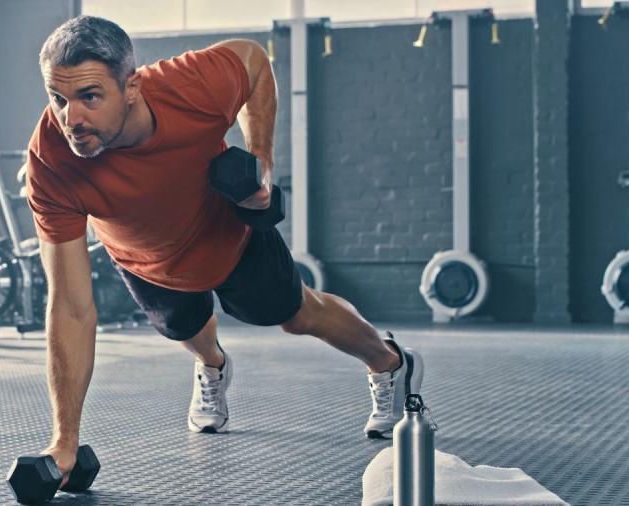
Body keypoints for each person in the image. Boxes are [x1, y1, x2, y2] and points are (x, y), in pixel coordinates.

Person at [24, 15, 424, 485]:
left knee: (297, 314)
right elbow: (70, 307)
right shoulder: (51, 161)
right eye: (58, 98)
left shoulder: (190, 85)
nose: (71, 118)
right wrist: (64, 440)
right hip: (148, 261)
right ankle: (213, 367)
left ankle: (390, 361)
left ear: (130, 86)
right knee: (186, 329)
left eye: (89, 96)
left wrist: (262, 161)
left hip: (228, 235)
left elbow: (253, 61)